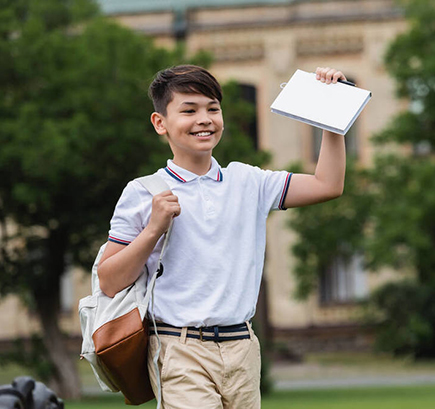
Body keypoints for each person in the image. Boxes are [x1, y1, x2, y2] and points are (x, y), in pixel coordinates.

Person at [97, 65, 349, 408]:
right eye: (189, 110)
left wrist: (333, 113)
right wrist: (154, 228)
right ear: (160, 123)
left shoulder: (249, 182)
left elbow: (328, 184)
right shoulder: (143, 192)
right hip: (178, 347)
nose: (204, 119)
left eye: (212, 108)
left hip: (243, 346)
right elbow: (109, 281)